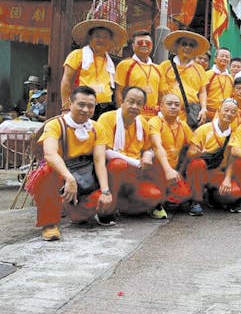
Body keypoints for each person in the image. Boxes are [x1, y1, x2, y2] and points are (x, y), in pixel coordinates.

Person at [28, 86, 113, 240]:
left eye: (90, 106)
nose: (86, 109)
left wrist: (106, 191)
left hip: (86, 177)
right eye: (81, 104)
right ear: (70, 104)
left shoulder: (97, 127)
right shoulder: (55, 125)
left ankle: (71, 208)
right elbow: (50, 154)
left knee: (87, 212)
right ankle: (49, 223)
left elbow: (99, 160)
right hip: (62, 173)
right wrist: (69, 178)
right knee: (46, 171)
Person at [98, 86, 163, 217]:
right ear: (122, 101)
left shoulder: (142, 122)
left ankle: (121, 206)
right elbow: (106, 152)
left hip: (134, 174)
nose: (134, 106)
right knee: (118, 164)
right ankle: (110, 206)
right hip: (112, 172)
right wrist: (136, 163)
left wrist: (148, 156)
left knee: (155, 195)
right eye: (131, 101)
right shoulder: (107, 118)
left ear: (143, 106)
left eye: (139, 103)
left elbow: (148, 148)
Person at [187, 98, 241, 213]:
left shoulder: (233, 135)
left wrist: (227, 179)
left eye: (233, 112)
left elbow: (231, 161)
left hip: (217, 174)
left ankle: (213, 195)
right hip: (200, 172)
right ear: (219, 110)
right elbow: (189, 154)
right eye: (226, 110)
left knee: (233, 193)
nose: (229, 114)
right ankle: (196, 201)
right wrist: (200, 153)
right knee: (197, 164)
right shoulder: (204, 129)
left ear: (236, 115)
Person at [61, 18, 127, 119]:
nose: (101, 40)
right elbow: (66, 80)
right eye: (97, 36)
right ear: (90, 38)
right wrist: (65, 107)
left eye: (105, 37)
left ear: (110, 41)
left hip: (107, 108)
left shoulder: (111, 62)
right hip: (83, 107)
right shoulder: (78, 55)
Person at [147, 93, 194, 218]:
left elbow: (193, 144)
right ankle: (155, 202)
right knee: (155, 193)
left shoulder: (182, 124)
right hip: (156, 168)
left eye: (177, 105)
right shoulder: (155, 122)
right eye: (169, 104)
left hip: (172, 170)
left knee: (184, 194)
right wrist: (168, 169)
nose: (173, 107)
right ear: (161, 106)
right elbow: (157, 146)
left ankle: (164, 197)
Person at [159, 30, 209, 127]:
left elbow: (202, 92)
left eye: (191, 45)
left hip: (191, 115)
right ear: (177, 46)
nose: (187, 47)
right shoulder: (165, 66)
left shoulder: (199, 69)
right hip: (169, 114)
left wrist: (203, 108)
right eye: (184, 44)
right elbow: (160, 91)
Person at [114, 30, 162, 119]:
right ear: (133, 46)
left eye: (147, 43)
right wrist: (122, 114)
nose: (144, 45)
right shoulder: (125, 65)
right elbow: (119, 91)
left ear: (152, 45)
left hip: (153, 118)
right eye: (140, 42)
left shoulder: (158, 69)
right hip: (132, 116)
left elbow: (161, 95)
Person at [205, 47, 234, 120]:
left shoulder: (231, 78)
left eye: (227, 57)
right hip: (208, 115)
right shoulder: (208, 75)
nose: (224, 58)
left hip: (225, 116)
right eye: (222, 56)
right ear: (215, 59)